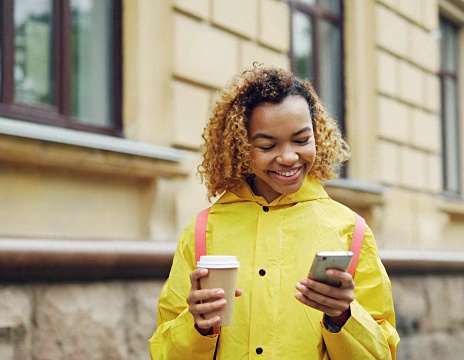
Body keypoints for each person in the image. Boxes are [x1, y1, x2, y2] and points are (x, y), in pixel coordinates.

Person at [148, 66, 399, 359]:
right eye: (268, 145)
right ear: (241, 147)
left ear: (318, 135)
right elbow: (164, 352)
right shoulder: (204, 230)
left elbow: (383, 352)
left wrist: (343, 317)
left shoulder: (349, 230)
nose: (289, 157)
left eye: (302, 140)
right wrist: (198, 327)